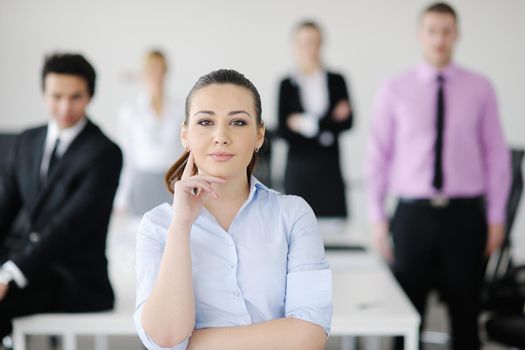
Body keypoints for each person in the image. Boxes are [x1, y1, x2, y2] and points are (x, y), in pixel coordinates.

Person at [134, 69, 332, 350]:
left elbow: (310, 336)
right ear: (185, 135)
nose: (221, 136)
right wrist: (181, 226)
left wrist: (191, 344)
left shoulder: (293, 215)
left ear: (259, 135)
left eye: (238, 122)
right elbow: (164, 337)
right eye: (205, 122)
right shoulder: (157, 225)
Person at [366, 3, 511, 350]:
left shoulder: (480, 88)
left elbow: (496, 155)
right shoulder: (394, 89)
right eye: (432, 30)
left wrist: (496, 217)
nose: (439, 39)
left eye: (447, 31)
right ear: (421, 35)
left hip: (465, 216)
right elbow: (377, 156)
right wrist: (376, 216)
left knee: (465, 316)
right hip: (412, 215)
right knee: (406, 318)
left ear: (456, 35)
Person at [0, 53, 122, 341]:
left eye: (75, 96)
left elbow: (68, 227)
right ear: (44, 94)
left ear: (90, 95)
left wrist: (8, 274)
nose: (65, 107)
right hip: (26, 261)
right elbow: (5, 205)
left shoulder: (105, 153)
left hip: (70, 275)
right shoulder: (27, 140)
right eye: (56, 96)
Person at [278, 20, 353, 222]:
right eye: (303, 43)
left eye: (313, 42)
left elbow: (348, 122)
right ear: (294, 46)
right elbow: (284, 131)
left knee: (334, 232)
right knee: (296, 227)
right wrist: (327, 124)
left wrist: (303, 123)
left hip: (330, 169)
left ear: (321, 44)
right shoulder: (286, 84)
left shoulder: (337, 80)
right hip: (299, 170)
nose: (308, 48)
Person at [115, 50, 184, 216]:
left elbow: (186, 152)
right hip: (142, 184)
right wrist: (121, 197)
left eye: (160, 69)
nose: (156, 74)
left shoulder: (180, 109)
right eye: (151, 69)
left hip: (172, 182)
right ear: (143, 73)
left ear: (166, 72)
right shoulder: (130, 111)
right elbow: (126, 156)